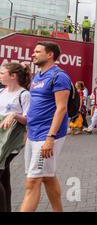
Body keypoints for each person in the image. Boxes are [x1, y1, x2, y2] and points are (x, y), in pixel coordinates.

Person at [20, 42, 72, 212]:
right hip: (34, 133)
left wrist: (50, 137)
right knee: (47, 177)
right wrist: (28, 130)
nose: (33, 54)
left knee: (33, 181)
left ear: (50, 54)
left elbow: (61, 108)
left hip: (47, 135)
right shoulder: (38, 76)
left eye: (37, 51)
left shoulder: (59, 76)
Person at [0, 63, 31, 212]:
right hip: (0, 138)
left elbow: (28, 119)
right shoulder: (2, 92)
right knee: (4, 176)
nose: (0, 75)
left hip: (11, 140)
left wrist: (13, 115)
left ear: (13, 76)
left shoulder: (24, 94)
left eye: (2, 73)